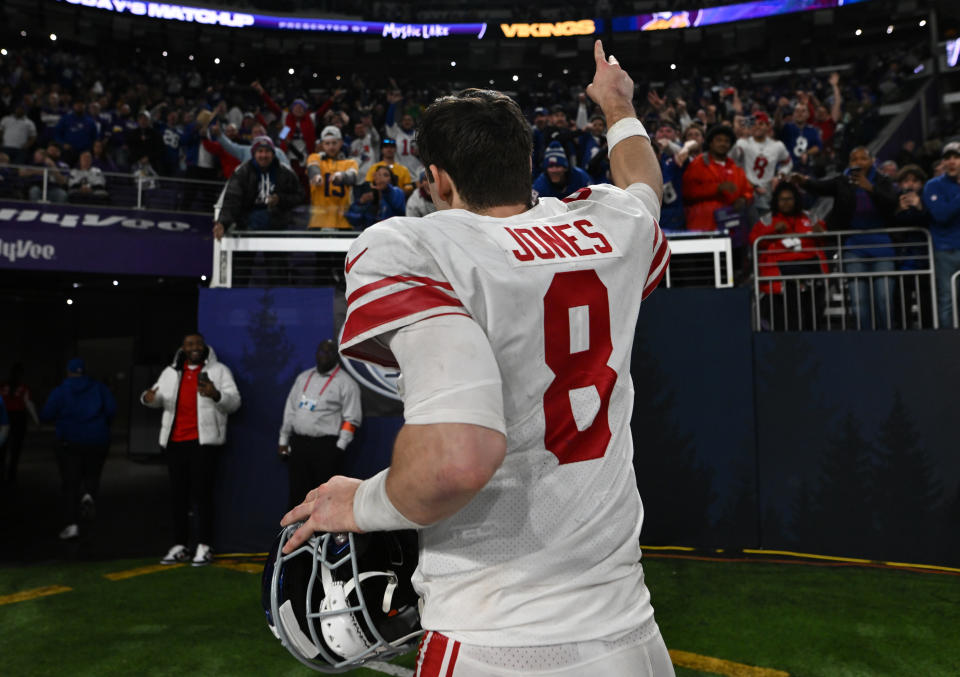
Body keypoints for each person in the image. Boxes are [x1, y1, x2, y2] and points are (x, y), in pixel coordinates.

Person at [280, 40, 674, 675]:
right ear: (525, 160)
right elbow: (643, 187)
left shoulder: (412, 246)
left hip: (494, 637)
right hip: (632, 635)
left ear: (434, 176)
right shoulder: (606, 226)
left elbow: (455, 461)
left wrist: (360, 504)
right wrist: (618, 105)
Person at [141, 334, 241, 566]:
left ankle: (204, 546)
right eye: (189, 344)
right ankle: (180, 546)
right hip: (175, 442)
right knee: (178, 497)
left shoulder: (219, 371)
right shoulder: (170, 372)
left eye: (197, 343)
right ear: (183, 348)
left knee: (202, 496)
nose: (194, 347)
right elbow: (156, 397)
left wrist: (216, 394)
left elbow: (235, 402)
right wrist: (148, 398)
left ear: (204, 347)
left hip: (203, 444)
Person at [792, 146, 898, 329]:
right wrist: (804, 182)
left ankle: (888, 338)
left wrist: (870, 188)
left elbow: (891, 204)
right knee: (858, 302)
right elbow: (821, 186)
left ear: (872, 161)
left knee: (884, 298)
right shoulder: (842, 181)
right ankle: (865, 340)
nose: (858, 163)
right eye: (853, 160)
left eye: (862, 159)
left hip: (882, 247)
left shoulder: (883, 181)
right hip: (853, 248)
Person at [278, 340, 361, 510]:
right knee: (297, 495)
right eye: (321, 351)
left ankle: (323, 536)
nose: (325, 355)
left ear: (336, 356)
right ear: (316, 353)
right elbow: (290, 410)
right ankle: (297, 535)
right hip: (299, 444)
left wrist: (340, 447)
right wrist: (283, 440)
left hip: (326, 447)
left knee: (324, 497)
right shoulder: (303, 378)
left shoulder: (346, 382)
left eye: (330, 352)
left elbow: (351, 419)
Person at [40, 358, 117, 540]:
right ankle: (89, 495)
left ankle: (72, 525)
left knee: (70, 482)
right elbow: (112, 410)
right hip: (98, 440)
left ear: (68, 372)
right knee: (92, 474)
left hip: (70, 442)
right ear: (84, 372)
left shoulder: (60, 391)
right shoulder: (99, 388)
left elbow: (46, 415)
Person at [749, 182, 829, 330]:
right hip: (780, 278)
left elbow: (824, 241)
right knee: (788, 323)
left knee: (812, 321)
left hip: (812, 275)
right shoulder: (767, 220)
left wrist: (821, 232)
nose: (786, 203)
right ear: (776, 201)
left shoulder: (810, 217)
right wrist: (772, 231)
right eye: (782, 199)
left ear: (796, 199)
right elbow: (754, 241)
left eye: (789, 199)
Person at [213, 136, 304, 238]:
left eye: (267, 151)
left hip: (278, 227)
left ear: (273, 153)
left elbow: (300, 196)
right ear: (253, 154)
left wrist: (280, 199)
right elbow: (232, 199)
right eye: (260, 151)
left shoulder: (286, 172)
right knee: (244, 254)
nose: (264, 155)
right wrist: (223, 223)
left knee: (277, 254)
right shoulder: (242, 172)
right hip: (247, 227)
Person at [682, 124, 753, 231]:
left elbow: (748, 191)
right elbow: (687, 192)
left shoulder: (736, 168)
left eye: (726, 141)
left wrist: (744, 199)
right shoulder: (697, 164)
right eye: (719, 140)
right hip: (702, 226)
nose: (723, 144)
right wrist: (717, 188)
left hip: (731, 228)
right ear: (711, 143)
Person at [922, 141, 960, 328]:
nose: (952, 162)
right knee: (948, 300)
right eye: (948, 158)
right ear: (943, 162)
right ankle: (949, 347)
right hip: (946, 252)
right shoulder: (933, 185)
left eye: (956, 157)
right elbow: (941, 215)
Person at [730, 112, 792, 214]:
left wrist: (780, 176)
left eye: (761, 124)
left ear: (768, 126)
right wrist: (738, 137)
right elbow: (732, 158)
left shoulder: (777, 146)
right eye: (754, 124)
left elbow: (788, 163)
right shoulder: (743, 142)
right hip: (747, 193)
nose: (757, 127)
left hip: (767, 193)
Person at [305, 126, 359, 229]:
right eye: (327, 143)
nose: (331, 147)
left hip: (343, 221)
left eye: (334, 143)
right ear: (322, 145)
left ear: (341, 143)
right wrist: (316, 176)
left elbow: (352, 176)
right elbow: (313, 167)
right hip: (318, 221)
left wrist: (341, 176)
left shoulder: (350, 162)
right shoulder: (315, 157)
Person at [0, 363, 40, 483]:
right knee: (16, 448)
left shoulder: (2, 386)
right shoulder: (23, 387)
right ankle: (12, 475)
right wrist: (36, 420)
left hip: (3, 417)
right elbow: (28, 404)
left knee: (2, 447)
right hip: (18, 418)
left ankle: (1, 473)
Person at [346, 165, 406, 230]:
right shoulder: (369, 198)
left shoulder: (397, 192)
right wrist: (360, 203)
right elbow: (354, 221)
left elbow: (399, 208)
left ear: (391, 180)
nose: (381, 178)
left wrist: (386, 189)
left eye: (385, 175)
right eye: (378, 175)